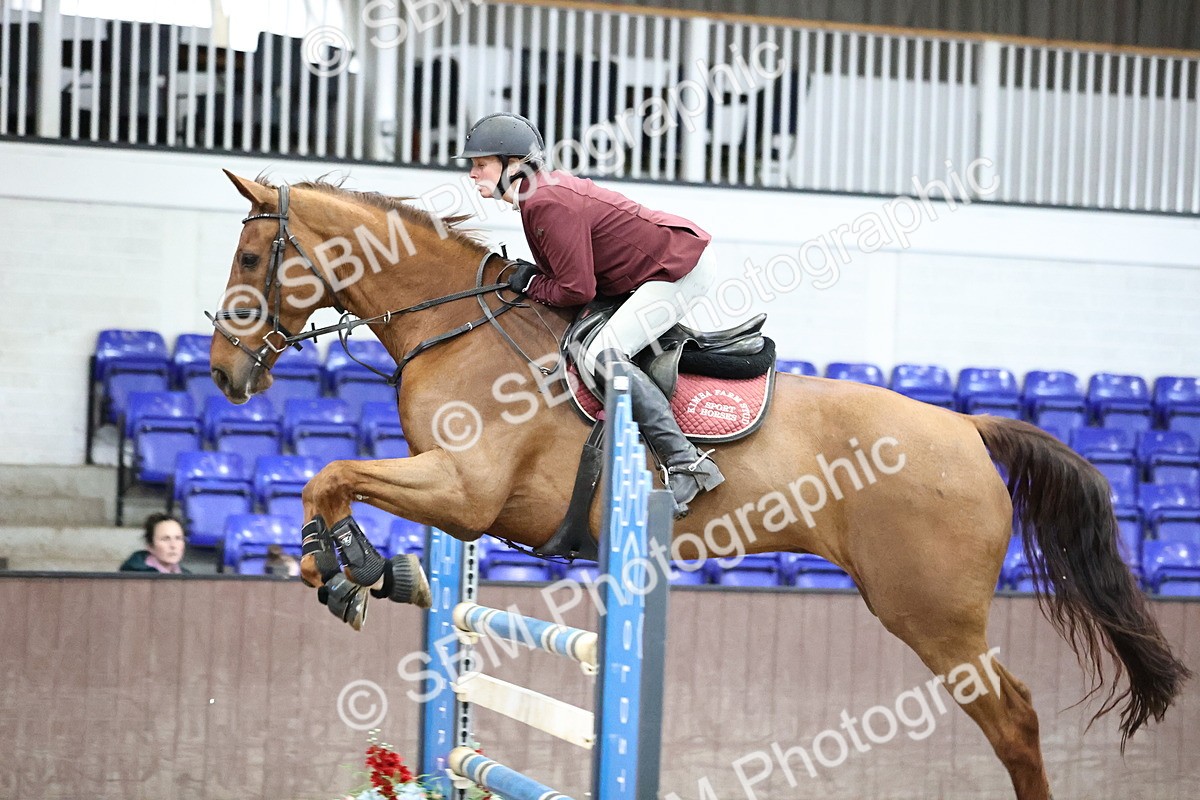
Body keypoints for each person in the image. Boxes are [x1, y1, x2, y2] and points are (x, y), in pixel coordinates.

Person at [459, 112, 724, 517]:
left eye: (481, 165)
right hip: (641, 273)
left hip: (676, 270)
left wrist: (529, 285)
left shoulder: (545, 201)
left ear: (513, 165)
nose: (473, 175)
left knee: (602, 354)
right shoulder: (536, 199)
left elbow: (576, 290)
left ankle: (684, 460)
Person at [120, 512, 190, 574]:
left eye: (178, 538)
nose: (173, 545)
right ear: (150, 546)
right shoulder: (133, 576)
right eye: (165, 539)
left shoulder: (187, 576)